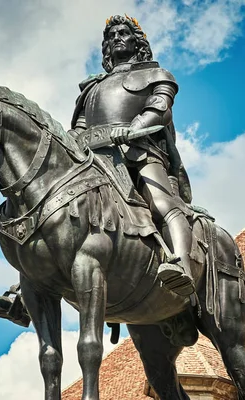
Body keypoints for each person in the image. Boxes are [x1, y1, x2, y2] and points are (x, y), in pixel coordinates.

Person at [68, 14, 195, 296]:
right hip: (94, 159)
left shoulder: (156, 75)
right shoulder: (92, 87)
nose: (116, 38)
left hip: (137, 150)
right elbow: (79, 127)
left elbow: (160, 108)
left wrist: (133, 129)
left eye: (123, 33)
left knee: (162, 204)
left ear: (137, 43)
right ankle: (27, 287)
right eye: (111, 36)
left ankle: (183, 267)